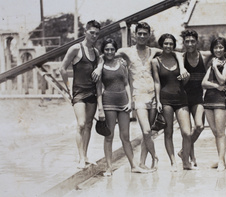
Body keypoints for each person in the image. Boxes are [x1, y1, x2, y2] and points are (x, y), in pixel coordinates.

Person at [92, 22, 189, 170]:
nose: (142, 36)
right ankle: (155, 157)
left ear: (149, 35)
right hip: (137, 95)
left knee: (148, 132)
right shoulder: (127, 52)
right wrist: (99, 67)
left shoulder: (154, 51)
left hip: (153, 95)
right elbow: (106, 54)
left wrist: (182, 67)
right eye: (140, 33)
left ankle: (143, 161)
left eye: (145, 34)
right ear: (135, 35)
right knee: (146, 131)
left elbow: (176, 53)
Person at [97, 38, 151, 176]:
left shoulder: (122, 64)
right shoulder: (100, 66)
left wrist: (129, 101)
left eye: (112, 49)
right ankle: (109, 168)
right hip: (108, 102)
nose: (110, 52)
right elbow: (98, 89)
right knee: (109, 136)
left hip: (123, 103)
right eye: (107, 49)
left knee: (125, 136)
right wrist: (100, 109)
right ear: (103, 50)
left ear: (116, 50)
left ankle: (133, 166)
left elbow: (127, 83)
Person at [151, 33, 196, 171]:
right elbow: (157, 82)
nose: (168, 46)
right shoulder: (156, 61)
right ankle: (172, 162)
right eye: (166, 43)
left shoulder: (179, 58)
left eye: (171, 44)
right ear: (161, 44)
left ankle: (186, 161)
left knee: (187, 133)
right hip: (165, 100)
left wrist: (186, 76)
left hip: (181, 97)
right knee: (168, 132)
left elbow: (184, 81)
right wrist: (158, 101)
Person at [60, 20, 101, 169]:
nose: (94, 36)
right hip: (78, 92)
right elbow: (62, 69)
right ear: (85, 32)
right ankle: (80, 158)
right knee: (81, 124)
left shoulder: (96, 52)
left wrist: (99, 68)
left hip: (92, 92)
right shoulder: (76, 49)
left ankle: (85, 156)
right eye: (92, 32)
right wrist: (68, 88)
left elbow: (102, 63)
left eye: (97, 33)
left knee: (89, 125)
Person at [177, 30, 211, 167]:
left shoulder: (204, 55)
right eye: (187, 41)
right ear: (184, 43)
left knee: (199, 126)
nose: (190, 44)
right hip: (183, 98)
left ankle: (183, 151)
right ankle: (190, 156)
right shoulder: (181, 57)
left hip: (198, 97)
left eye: (192, 41)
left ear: (197, 42)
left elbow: (223, 52)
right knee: (187, 130)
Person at [202, 37, 226, 172]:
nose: (218, 50)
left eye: (220, 47)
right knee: (215, 132)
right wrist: (214, 85)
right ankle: (221, 159)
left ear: (225, 48)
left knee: (220, 132)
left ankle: (221, 161)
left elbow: (222, 79)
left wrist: (214, 67)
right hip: (208, 99)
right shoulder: (211, 62)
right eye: (216, 47)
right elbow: (203, 83)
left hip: (220, 100)